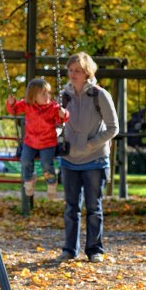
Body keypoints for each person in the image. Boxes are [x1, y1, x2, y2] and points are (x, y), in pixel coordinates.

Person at [57, 52, 118, 263]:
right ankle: (69, 250)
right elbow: (54, 124)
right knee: (71, 208)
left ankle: (95, 250)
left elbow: (113, 128)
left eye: (78, 71)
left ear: (87, 72)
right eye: (71, 70)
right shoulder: (63, 96)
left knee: (94, 207)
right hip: (69, 160)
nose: (73, 74)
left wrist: (90, 144)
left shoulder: (100, 95)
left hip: (95, 159)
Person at [6, 78, 69, 200]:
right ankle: (29, 180)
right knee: (25, 161)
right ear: (33, 96)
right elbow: (13, 110)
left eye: (48, 93)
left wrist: (64, 114)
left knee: (46, 164)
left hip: (48, 142)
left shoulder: (53, 107)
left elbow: (62, 119)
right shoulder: (27, 105)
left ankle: (51, 183)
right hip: (30, 142)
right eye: (43, 93)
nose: (47, 96)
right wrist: (11, 103)